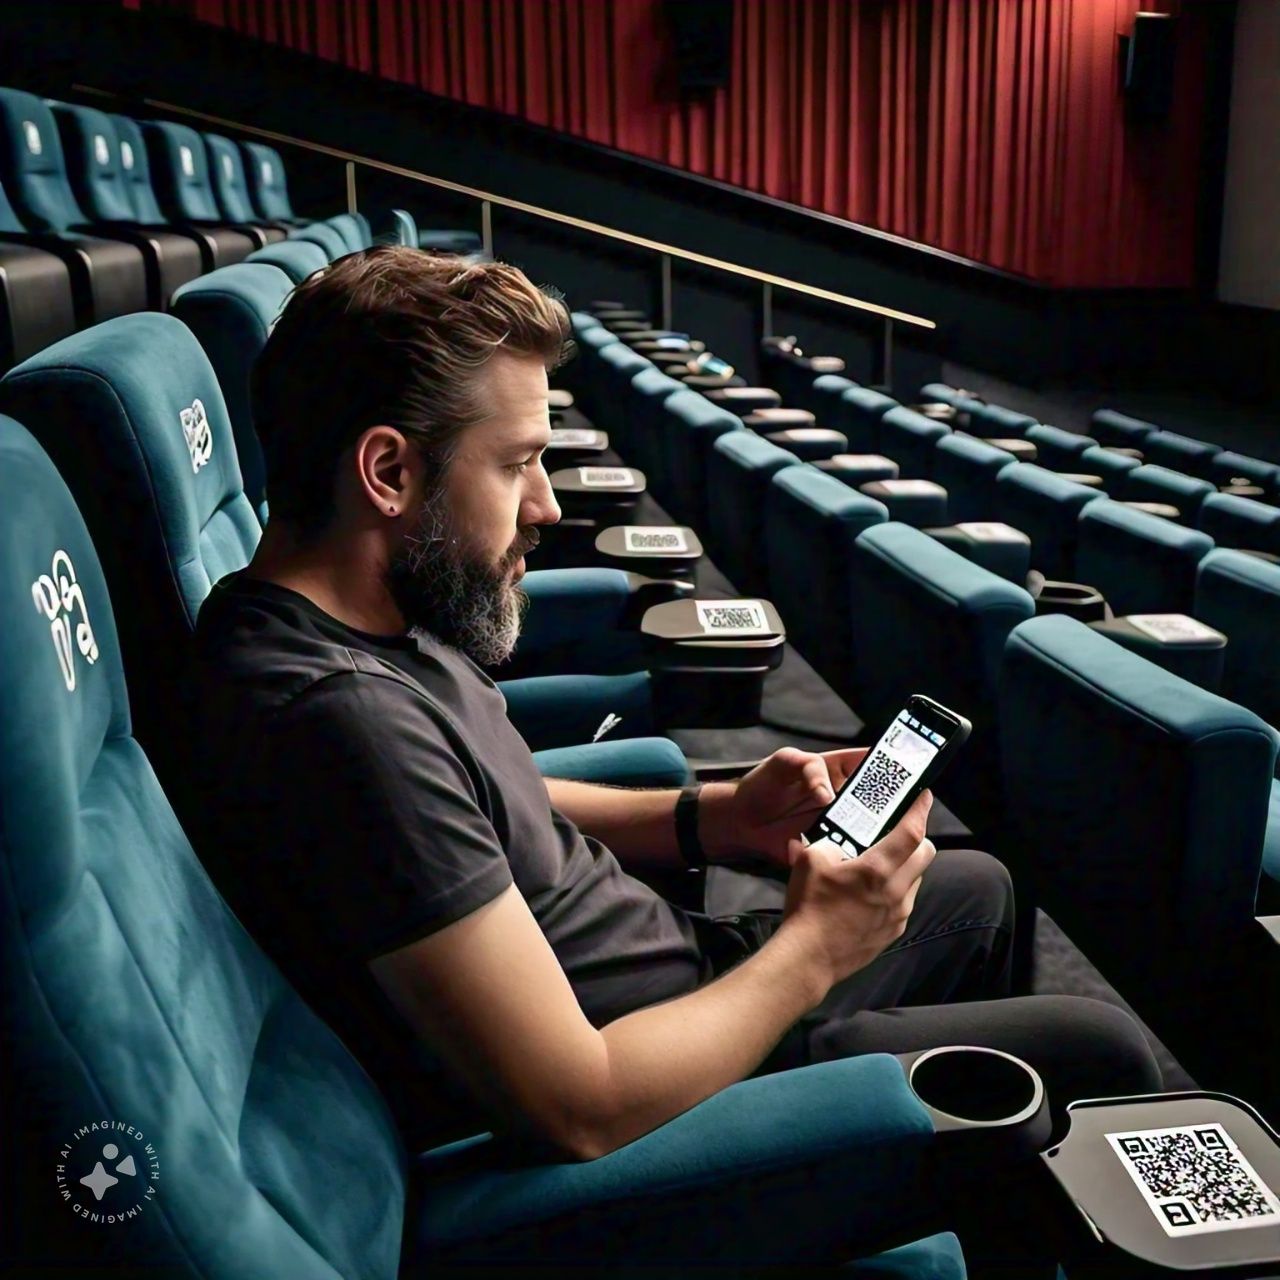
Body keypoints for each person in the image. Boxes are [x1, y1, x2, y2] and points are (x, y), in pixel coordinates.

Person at [192, 247, 1160, 1188]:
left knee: (973, 884)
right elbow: (578, 1103)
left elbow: (487, 801)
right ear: (389, 472)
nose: (543, 503)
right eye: (517, 463)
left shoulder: (367, 612)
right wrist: (812, 950)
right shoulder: (341, 723)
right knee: (1094, 1048)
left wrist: (711, 814)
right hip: (679, 1077)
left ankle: (940, 1197)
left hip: (690, 973)